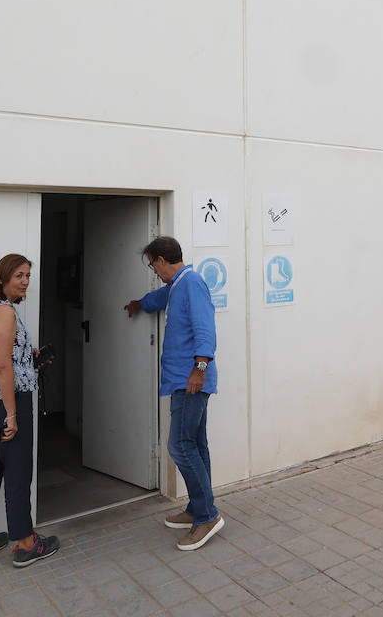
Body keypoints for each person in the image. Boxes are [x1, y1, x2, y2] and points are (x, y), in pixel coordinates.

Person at [124, 236, 223, 551]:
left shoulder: (192, 283)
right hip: (185, 380)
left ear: (161, 260)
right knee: (196, 444)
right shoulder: (178, 286)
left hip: (191, 381)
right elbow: (158, 298)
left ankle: (207, 515)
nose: (154, 271)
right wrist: (139, 304)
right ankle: (197, 507)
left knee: (179, 445)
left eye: (153, 265)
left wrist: (200, 369)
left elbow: (205, 328)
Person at [0, 253, 60, 568]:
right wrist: (11, 413)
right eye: (19, 275)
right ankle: (25, 543)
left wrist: (27, 355)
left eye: (28, 276)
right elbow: (1, 363)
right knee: (18, 471)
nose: (25, 281)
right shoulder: (4, 312)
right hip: (8, 401)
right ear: (3, 277)